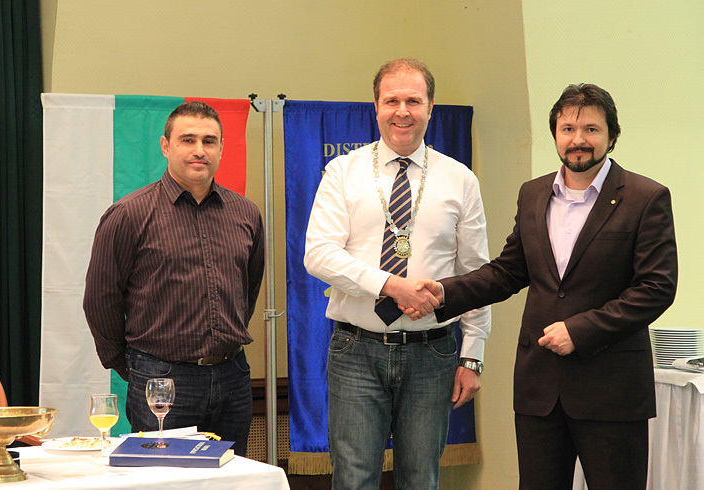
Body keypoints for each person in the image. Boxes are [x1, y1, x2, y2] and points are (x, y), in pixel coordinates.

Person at [424, 84, 678, 489]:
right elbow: (508, 272)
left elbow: (656, 288)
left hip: (612, 390)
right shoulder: (533, 194)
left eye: (591, 129)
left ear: (612, 136)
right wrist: (445, 292)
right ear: (555, 134)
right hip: (539, 387)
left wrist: (579, 330)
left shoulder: (645, 197)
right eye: (567, 129)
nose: (578, 140)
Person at [303, 58, 491, 490]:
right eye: (392, 101)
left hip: (433, 353)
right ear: (376, 107)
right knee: (353, 479)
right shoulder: (343, 172)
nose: (402, 111)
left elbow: (477, 276)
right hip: (356, 351)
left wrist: (473, 355)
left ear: (430, 108)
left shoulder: (460, 179)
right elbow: (318, 255)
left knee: (421, 480)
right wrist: (389, 285)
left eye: (413, 101)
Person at [83, 101, 264, 456]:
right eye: (188, 140)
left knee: (233, 475)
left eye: (209, 141)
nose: (199, 150)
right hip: (161, 379)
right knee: (163, 476)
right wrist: (131, 364)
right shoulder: (129, 214)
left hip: (232, 378)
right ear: (166, 146)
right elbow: (100, 300)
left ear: (221, 148)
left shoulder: (246, 213)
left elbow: (249, 288)